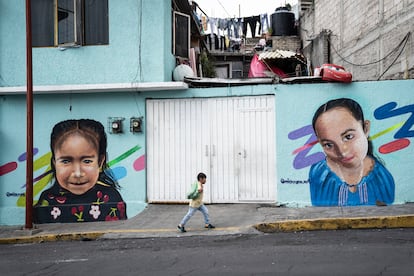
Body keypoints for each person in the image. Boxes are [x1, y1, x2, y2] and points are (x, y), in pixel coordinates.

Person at [34, 119, 127, 223]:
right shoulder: (47, 201)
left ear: (100, 162)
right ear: (55, 163)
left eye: (87, 161)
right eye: (66, 161)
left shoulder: (111, 198)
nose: (77, 173)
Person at [309, 98, 395, 206]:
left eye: (348, 137)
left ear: (365, 129)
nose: (342, 152)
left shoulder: (382, 179)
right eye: (329, 145)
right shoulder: (319, 174)